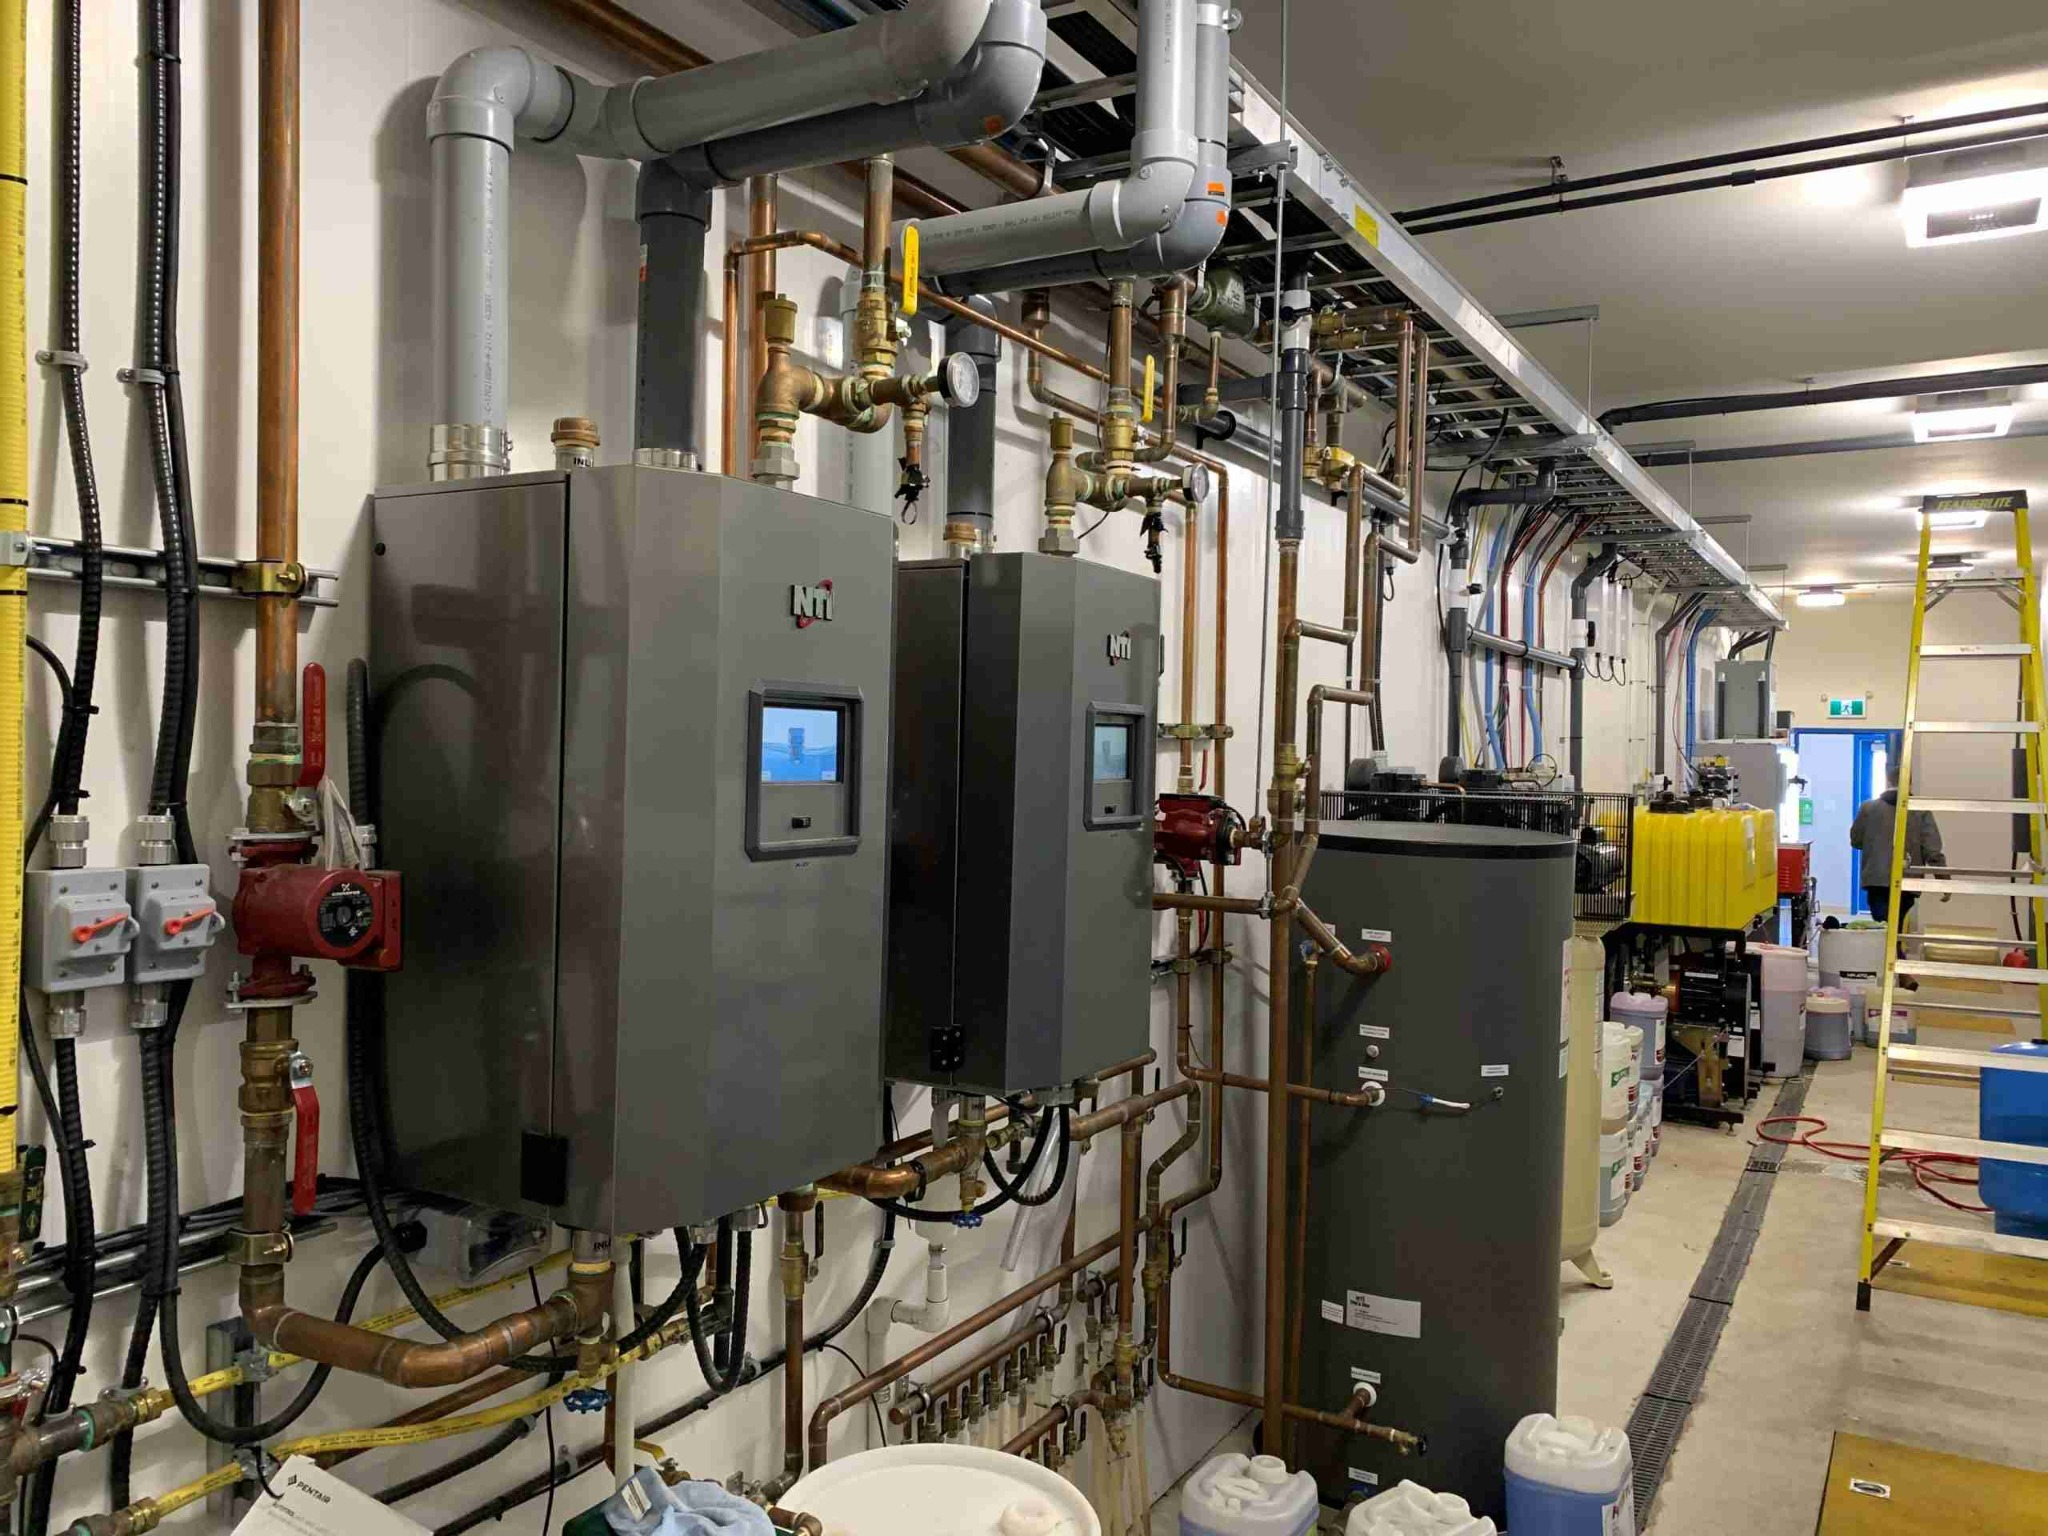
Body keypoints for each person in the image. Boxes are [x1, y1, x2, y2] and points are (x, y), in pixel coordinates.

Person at [1849, 763, 1946, 986]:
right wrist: (1943, 881)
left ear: (1887, 780)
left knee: (1885, 928)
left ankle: (1899, 974)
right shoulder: (1921, 811)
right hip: (1907, 881)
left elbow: (1855, 841)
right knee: (1893, 928)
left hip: (1877, 880)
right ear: (1910, 782)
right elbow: (1932, 850)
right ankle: (1900, 973)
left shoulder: (1868, 808)